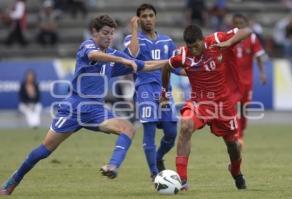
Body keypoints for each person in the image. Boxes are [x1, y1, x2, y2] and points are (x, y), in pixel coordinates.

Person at [0, 15, 168, 196]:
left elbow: (145, 65)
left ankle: (112, 166)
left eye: (112, 34)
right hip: (75, 108)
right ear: (94, 32)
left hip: (96, 110)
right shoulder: (88, 45)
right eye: (105, 33)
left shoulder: (113, 55)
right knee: (44, 150)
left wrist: (171, 62)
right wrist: (123, 60)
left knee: (128, 128)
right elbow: (93, 55)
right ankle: (13, 181)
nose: (109, 37)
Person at [161, 24, 252, 190]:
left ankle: (236, 171)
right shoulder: (183, 55)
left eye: (196, 46)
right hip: (199, 102)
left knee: (233, 144)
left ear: (203, 40)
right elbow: (167, 67)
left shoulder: (216, 40)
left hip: (223, 104)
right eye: (190, 47)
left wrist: (229, 42)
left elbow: (247, 31)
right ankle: (182, 179)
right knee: (186, 125)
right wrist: (164, 92)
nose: (193, 50)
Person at [123, 4, 185, 180]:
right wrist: (134, 30)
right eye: (143, 16)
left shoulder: (167, 41)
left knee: (171, 132)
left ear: (155, 18)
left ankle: (158, 158)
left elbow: (175, 67)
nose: (148, 19)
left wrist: (190, 72)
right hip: (145, 90)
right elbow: (133, 56)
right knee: (149, 131)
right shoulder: (131, 39)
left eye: (151, 15)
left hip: (165, 91)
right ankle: (154, 173)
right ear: (138, 19)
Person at [232, 13, 267, 145]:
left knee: (244, 109)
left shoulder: (252, 38)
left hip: (247, 81)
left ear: (246, 24)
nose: (238, 26)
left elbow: (258, 57)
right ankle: (238, 135)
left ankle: (242, 129)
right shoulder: (230, 37)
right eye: (236, 23)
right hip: (233, 81)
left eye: (241, 23)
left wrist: (262, 73)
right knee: (235, 108)